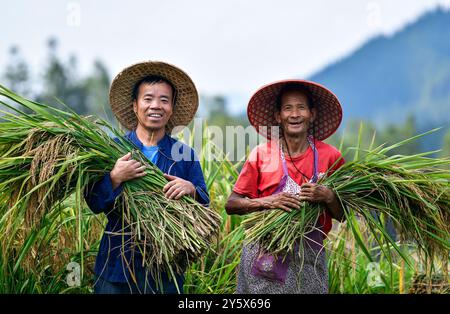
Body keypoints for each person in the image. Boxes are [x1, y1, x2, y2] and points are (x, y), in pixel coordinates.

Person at [84, 61, 209, 294]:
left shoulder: (184, 155)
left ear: (171, 108)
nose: (156, 106)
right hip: (117, 262)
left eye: (164, 100)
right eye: (148, 98)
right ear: (135, 105)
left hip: (165, 265)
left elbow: (205, 204)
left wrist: (190, 188)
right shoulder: (112, 150)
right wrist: (114, 177)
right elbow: (93, 202)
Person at [225, 80, 345, 293]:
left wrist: (328, 196)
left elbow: (343, 215)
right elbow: (232, 204)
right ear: (278, 116)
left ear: (312, 114)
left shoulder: (330, 156)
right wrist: (268, 202)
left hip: (309, 258)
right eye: (287, 108)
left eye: (301, 107)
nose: (294, 114)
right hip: (265, 255)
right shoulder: (262, 155)